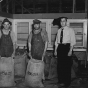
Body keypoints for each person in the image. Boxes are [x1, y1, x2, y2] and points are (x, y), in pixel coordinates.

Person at [54, 17, 76, 87]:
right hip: (60, 48)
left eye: (64, 21)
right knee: (60, 66)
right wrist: (55, 51)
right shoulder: (59, 30)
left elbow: (72, 41)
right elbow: (56, 42)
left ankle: (67, 82)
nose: (62, 22)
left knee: (66, 66)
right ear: (60, 22)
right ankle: (61, 81)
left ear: (66, 22)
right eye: (61, 21)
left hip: (67, 47)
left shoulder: (70, 30)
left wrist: (70, 50)